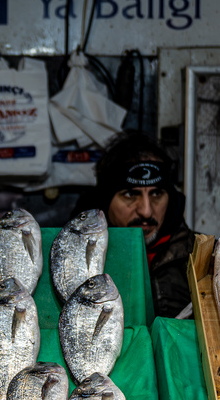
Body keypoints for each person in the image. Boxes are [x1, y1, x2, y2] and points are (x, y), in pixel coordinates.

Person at [73, 130, 194, 318]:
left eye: (156, 194)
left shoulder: (203, 257)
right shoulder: (74, 260)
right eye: (130, 194)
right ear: (105, 201)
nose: (146, 211)